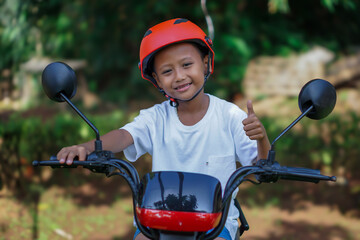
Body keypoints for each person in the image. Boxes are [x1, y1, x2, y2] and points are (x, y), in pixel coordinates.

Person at [57, 18, 271, 240]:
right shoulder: (155, 118)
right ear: (157, 80)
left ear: (206, 63)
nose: (179, 76)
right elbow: (124, 136)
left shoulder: (230, 117)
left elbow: (259, 171)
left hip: (214, 225)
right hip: (158, 220)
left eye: (187, 65)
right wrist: (87, 147)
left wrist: (261, 138)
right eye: (167, 71)